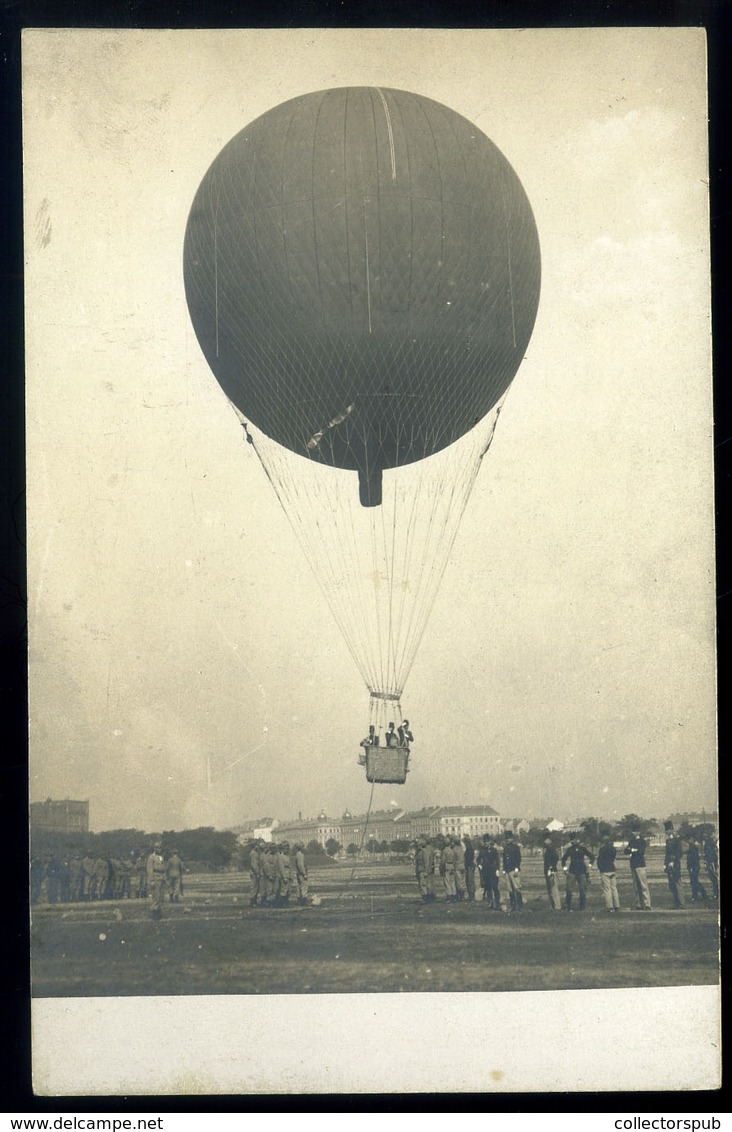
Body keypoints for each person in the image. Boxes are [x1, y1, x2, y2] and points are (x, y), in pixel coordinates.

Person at [561, 833, 594, 911]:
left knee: (582, 890)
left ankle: (582, 907)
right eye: (573, 839)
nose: (574, 841)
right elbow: (563, 859)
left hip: (581, 871)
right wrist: (565, 869)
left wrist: (589, 867)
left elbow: (592, 857)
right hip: (572, 871)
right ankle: (568, 906)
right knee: (569, 889)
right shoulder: (570, 849)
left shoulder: (583, 849)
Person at [624, 826, 651, 910]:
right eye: (633, 831)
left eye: (635, 831)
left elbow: (641, 852)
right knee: (636, 886)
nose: (633, 833)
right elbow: (625, 851)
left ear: (639, 832)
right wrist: (633, 850)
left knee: (643, 885)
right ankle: (639, 903)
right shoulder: (631, 841)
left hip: (640, 865)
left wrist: (631, 850)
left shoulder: (642, 841)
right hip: (633, 864)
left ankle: (647, 904)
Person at [596, 830, 621, 912]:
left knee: (607, 889)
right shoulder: (613, 849)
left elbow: (599, 860)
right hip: (612, 869)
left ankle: (609, 906)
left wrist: (600, 868)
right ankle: (617, 905)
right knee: (614, 888)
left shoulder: (602, 849)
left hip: (605, 870)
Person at [663, 820, 684, 909]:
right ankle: (676, 902)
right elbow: (667, 854)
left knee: (677, 883)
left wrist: (673, 861)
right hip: (669, 864)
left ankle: (681, 903)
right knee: (671, 884)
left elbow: (679, 853)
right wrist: (665, 864)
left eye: (667, 830)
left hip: (675, 864)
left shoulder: (677, 840)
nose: (666, 832)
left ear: (672, 829)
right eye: (666, 830)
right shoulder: (668, 841)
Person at [478, 835, 502, 909]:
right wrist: (479, 865)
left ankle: (497, 902)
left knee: (495, 887)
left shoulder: (494, 850)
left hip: (493, 870)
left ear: (490, 842)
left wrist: (498, 870)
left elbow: (498, 860)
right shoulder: (482, 850)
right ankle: (490, 902)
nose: (486, 843)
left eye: (487, 841)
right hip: (485, 871)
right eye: (485, 842)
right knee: (488, 887)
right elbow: (478, 859)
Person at [503, 830, 523, 911]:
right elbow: (504, 859)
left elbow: (518, 858)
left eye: (509, 838)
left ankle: (519, 905)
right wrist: (504, 869)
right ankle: (513, 905)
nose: (508, 840)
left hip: (513, 870)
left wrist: (517, 868)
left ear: (512, 839)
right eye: (507, 838)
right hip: (507, 870)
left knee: (517, 888)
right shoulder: (505, 848)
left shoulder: (515, 848)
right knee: (510, 889)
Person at [146, 842, 166, 919]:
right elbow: (149, 869)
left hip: (161, 878)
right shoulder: (151, 857)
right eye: (157, 848)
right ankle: (154, 914)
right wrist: (151, 880)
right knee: (156, 897)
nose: (159, 849)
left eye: (160, 848)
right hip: (155, 878)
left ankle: (159, 913)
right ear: (154, 848)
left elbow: (163, 868)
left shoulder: (161, 857)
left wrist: (164, 878)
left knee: (161, 897)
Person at [542, 834, 562, 911]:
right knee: (550, 889)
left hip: (552, 871)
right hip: (547, 870)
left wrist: (551, 866)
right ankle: (553, 905)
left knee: (553, 888)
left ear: (550, 840)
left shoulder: (551, 849)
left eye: (546, 840)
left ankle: (557, 906)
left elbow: (556, 857)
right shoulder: (547, 849)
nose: (545, 841)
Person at [687, 838, 708, 902]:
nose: (688, 841)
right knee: (694, 881)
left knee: (694, 882)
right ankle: (701, 894)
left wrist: (691, 867)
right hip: (694, 867)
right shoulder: (692, 847)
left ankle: (696, 895)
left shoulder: (692, 848)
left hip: (694, 867)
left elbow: (693, 859)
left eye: (689, 839)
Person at [414, 837, 434, 902]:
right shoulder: (418, 852)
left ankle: (424, 898)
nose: (417, 846)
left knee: (423, 885)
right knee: (421, 884)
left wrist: (426, 871)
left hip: (423, 870)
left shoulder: (424, 852)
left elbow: (426, 862)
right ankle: (425, 897)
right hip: (419, 870)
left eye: (418, 845)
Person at [441, 837, 458, 902]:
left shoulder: (444, 851)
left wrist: (441, 869)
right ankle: (454, 895)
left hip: (447, 866)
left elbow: (443, 861)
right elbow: (454, 859)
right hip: (452, 866)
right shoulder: (452, 850)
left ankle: (449, 896)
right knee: (452, 882)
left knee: (447, 882)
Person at [702, 833, 719, 900]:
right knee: (713, 879)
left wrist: (710, 862)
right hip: (710, 862)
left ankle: (716, 894)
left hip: (712, 863)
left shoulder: (708, 843)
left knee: (714, 878)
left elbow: (710, 854)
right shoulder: (709, 843)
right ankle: (715, 893)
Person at [248, 840, 262, 906]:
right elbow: (254, 865)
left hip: (254, 872)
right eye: (256, 845)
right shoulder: (254, 853)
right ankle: (253, 902)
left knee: (255, 887)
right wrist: (257, 873)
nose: (258, 846)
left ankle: (254, 901)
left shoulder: (254, 853)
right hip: (254, 873)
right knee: (254, 887)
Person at [463, 835, 476, 902]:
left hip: (469, 866)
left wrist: (465, 863)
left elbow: (468, 858)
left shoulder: (469, 848)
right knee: (469, 881)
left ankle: (471, 896)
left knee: (470, 881)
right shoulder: (470, 848)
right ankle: (471, 896)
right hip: (470, 866)